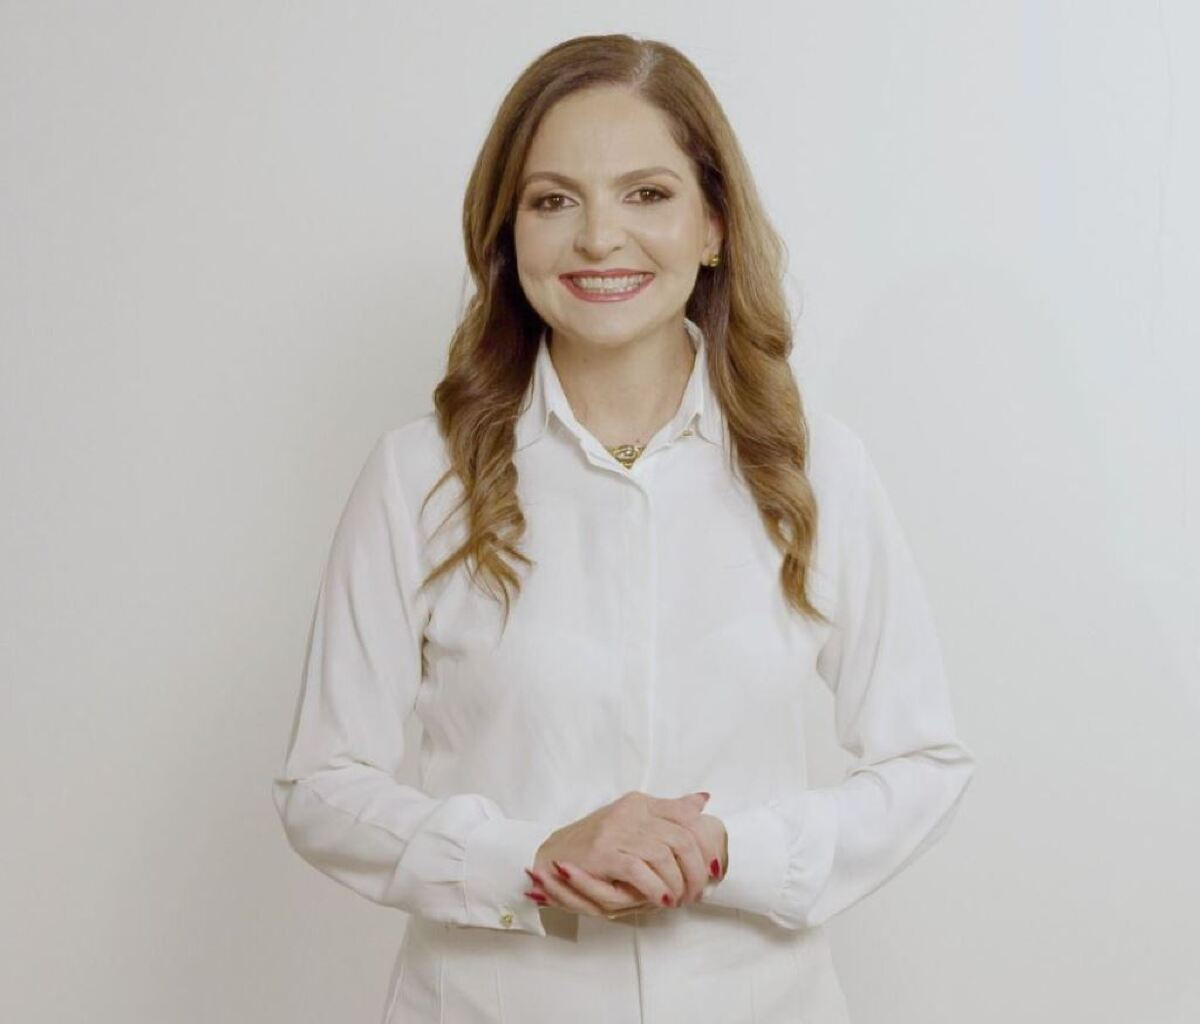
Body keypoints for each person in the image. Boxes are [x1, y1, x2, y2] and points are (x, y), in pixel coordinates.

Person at [270, 32, 976, 1024]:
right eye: (553, 200)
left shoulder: (816, 467)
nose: (600, 238)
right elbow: (321, 784)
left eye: (647, 194)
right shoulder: (418, 476)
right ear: (508, 234)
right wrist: (531, 859)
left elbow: (924, 762)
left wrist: (731, 852)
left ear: (714, 225)